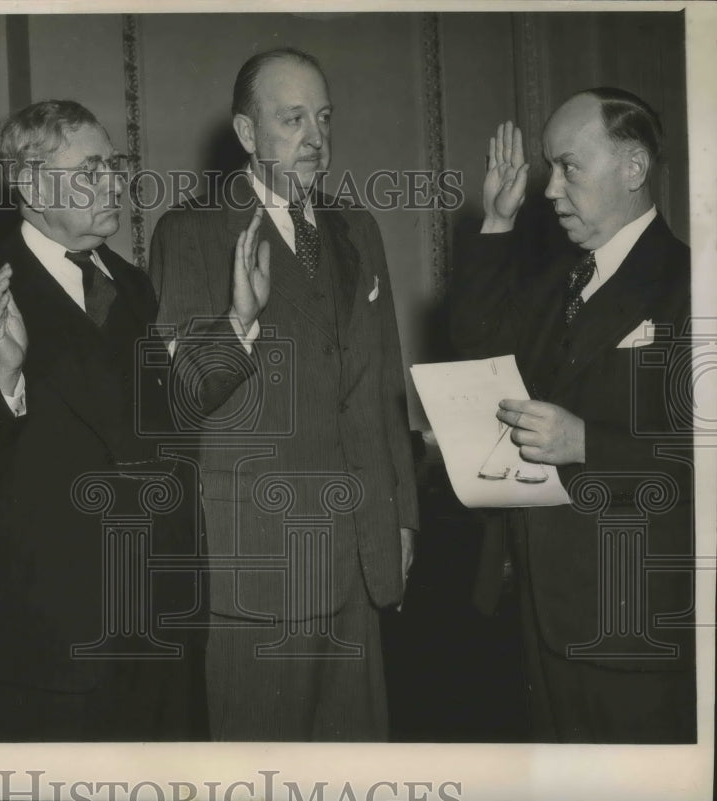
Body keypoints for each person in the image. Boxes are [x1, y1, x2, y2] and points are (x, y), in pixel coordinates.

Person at [0, 100, 245, 740]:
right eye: (90, 171)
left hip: (160, 613)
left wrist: (239, 323)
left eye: (115, 165)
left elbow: (161, 421)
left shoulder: (130, 285)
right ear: (29, 184)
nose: (114, 184)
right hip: (61, 635)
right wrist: (5, 376)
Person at [149, 48, 418, 741]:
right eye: (292, 119)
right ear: (246, 134)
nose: (316, 138)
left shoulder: (358, 230)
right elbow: (177, 399)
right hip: (260, 570)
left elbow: (384, 387)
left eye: (323, 118)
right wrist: (237, 323)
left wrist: (403, 516)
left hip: (361, 558)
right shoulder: (193, 232)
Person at [450, 89, 694, 742]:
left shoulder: (690, 286)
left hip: (629, 614)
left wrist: (587, 441)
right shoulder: (557, 280)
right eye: (547, 169)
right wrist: (498, 224)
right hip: (536, 606)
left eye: (568, 167)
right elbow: (478, 354)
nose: (550, 189)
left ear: (634, 167)